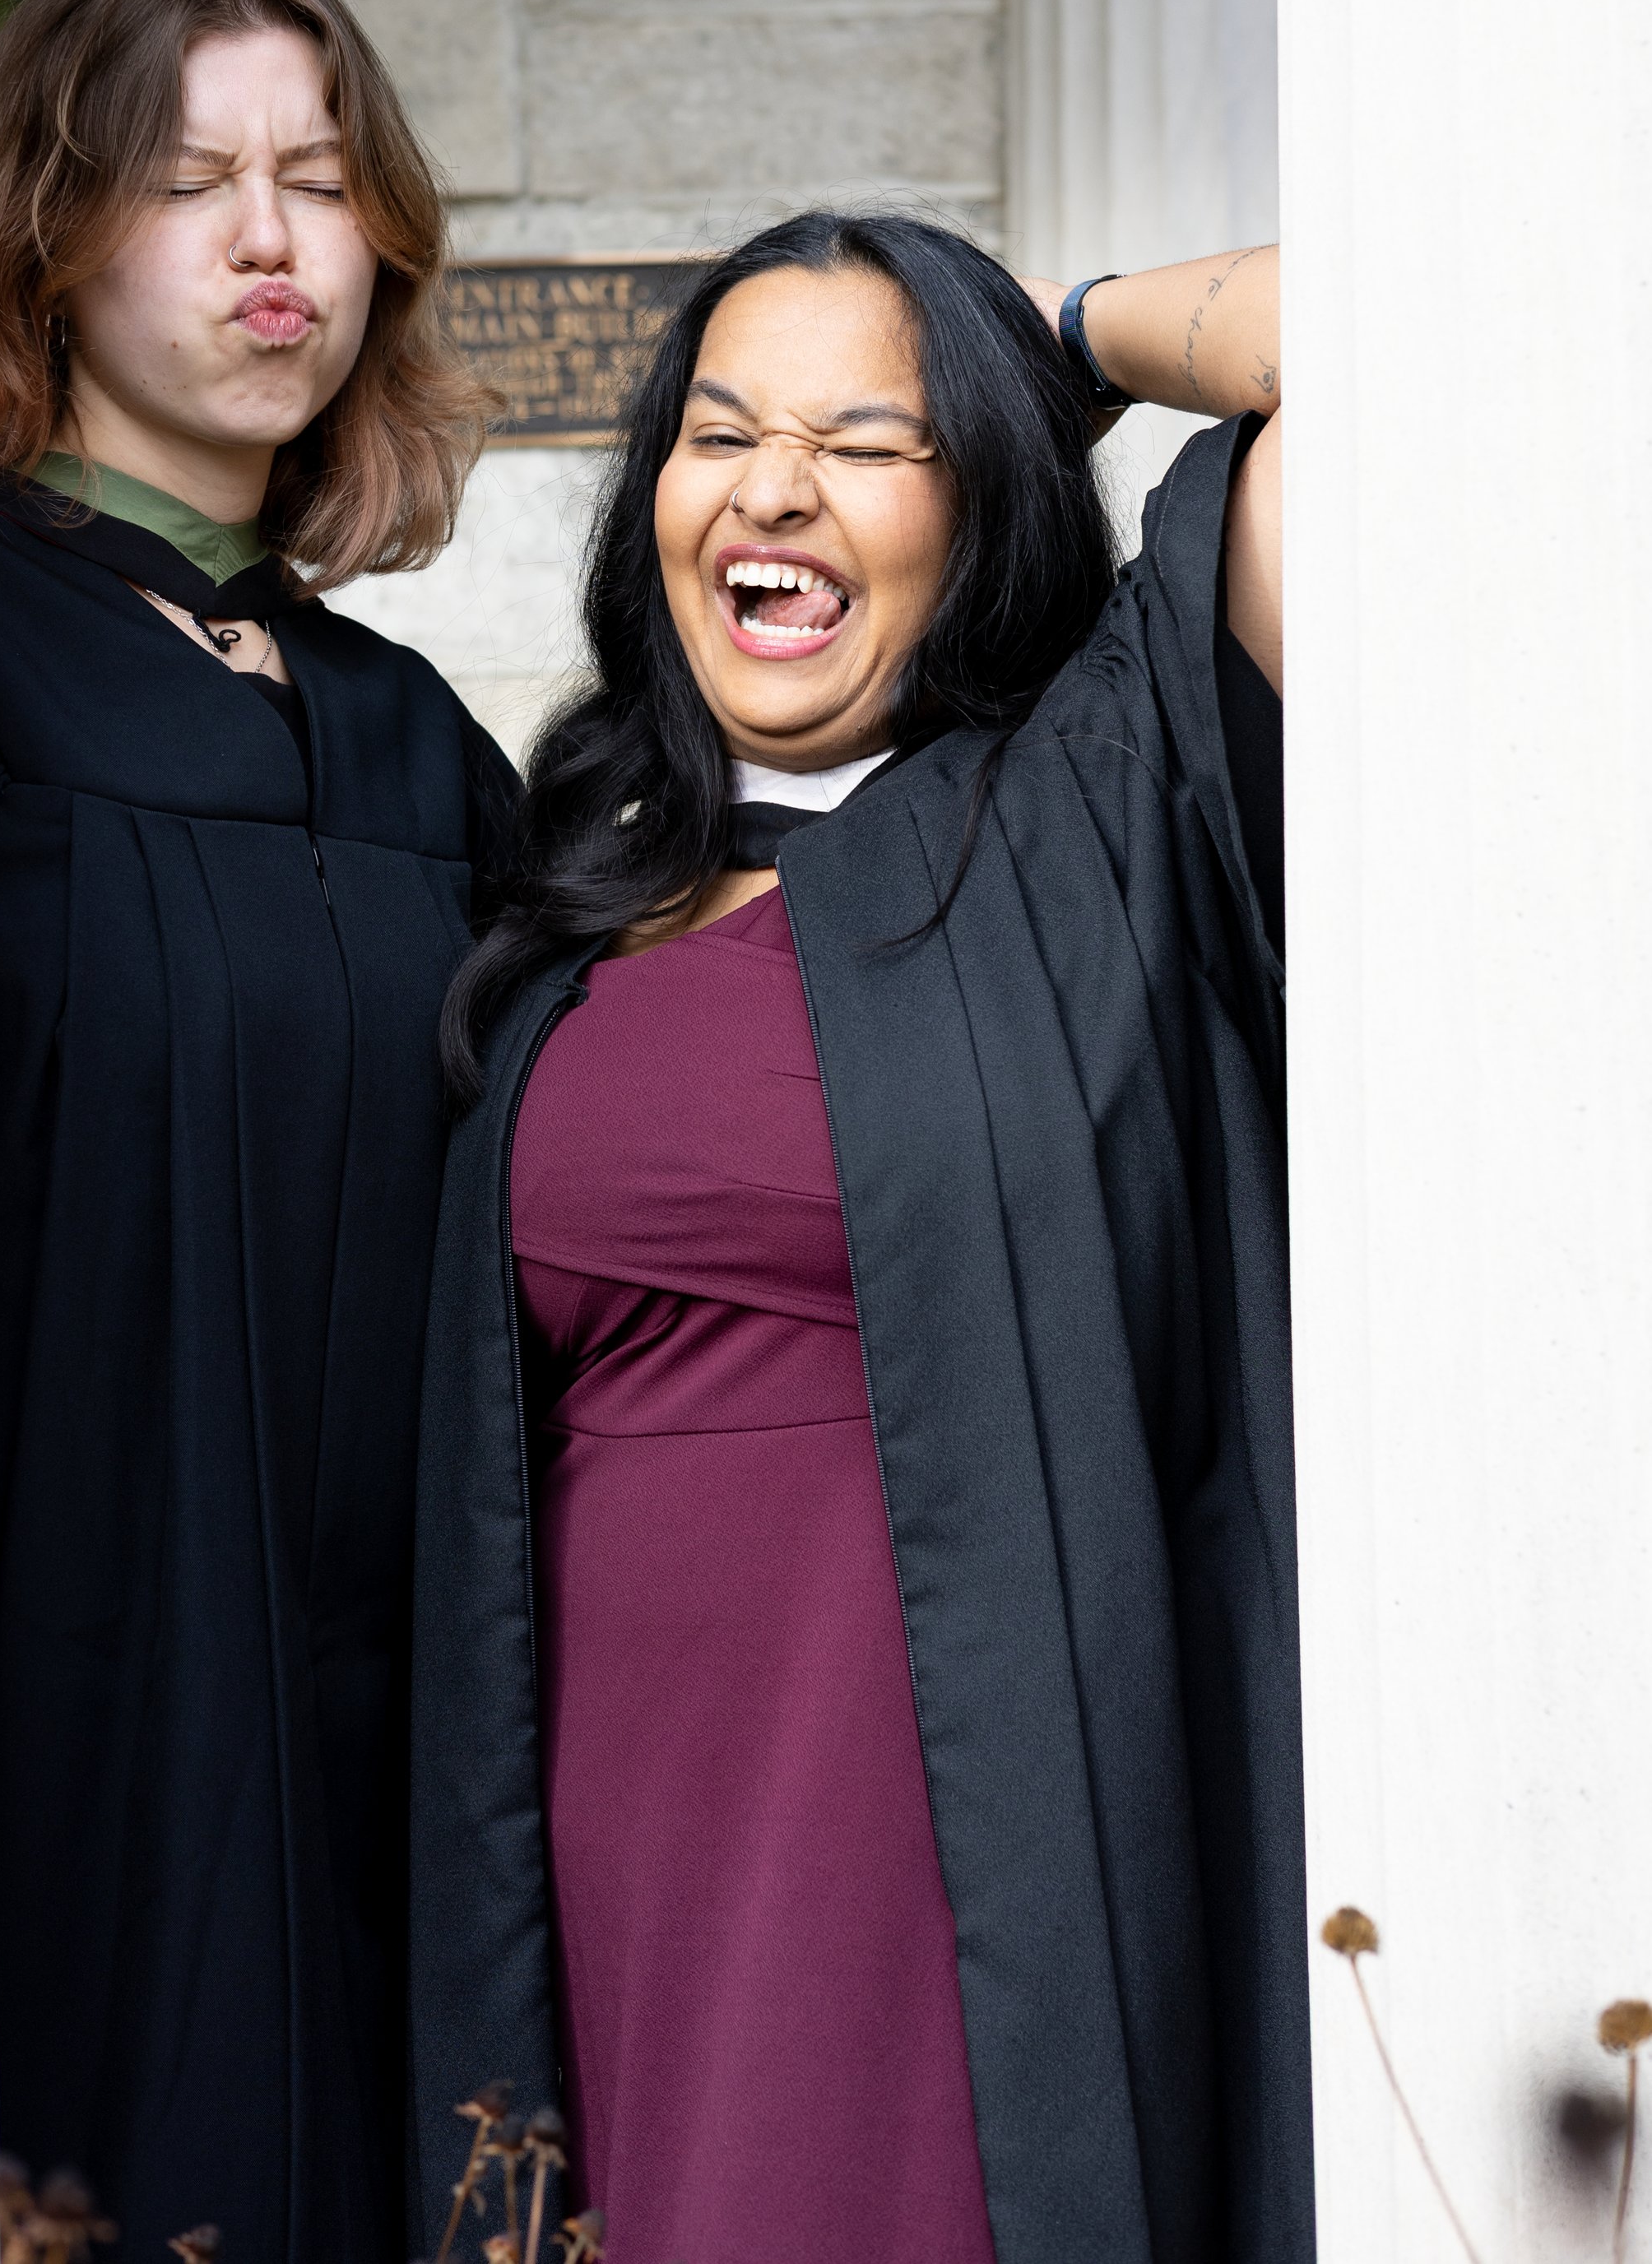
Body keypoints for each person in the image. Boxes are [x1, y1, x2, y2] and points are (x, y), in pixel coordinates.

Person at [411, 211, 1297, 2264]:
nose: (773, 486)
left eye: (868, 439)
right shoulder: (571, 900)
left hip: (952, 1821)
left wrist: (1055, 339)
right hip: (609, 1838)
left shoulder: (1094, 804)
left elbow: (1412, 327)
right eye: (718, 434)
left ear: (980, 504)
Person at [0, 0, 517, 2262]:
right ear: (54, 240)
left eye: (318, 174)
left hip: (390, 1706)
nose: (276, 243)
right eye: (192, 181)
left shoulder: (404, 737)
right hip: (74, 1681)